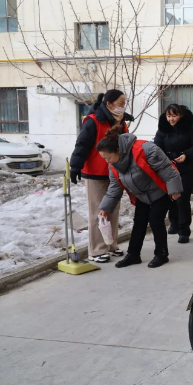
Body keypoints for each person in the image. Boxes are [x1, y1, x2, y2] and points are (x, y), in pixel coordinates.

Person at [97, 127, 182, 268]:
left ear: (118, 150)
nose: (107, 161)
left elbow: (167, 169)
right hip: (142, 195)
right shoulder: (113, 165)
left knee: (155, 220)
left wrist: (174, 189)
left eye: (108, 157)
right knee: (139, 222)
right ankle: (133, 255)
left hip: (160, 190)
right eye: (104, 159)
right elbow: (114, 187)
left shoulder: (145, 149)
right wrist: (105, 208)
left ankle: (161, 254)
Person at [69, 90, 133, 264]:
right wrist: (75, 166)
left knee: (113, 210)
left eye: (124, 103)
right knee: (98, 212)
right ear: (109, 104)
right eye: (120, 103)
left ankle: (111, 244)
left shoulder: (121, 122)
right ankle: (97, 249)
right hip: (96, 173)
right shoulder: (93, 121)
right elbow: (82, 144)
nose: (122, 107)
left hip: (115, 171)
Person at [154, 104, 193, 244]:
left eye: (174, 116)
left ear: (180, 116)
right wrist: (165, 159)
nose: (171, 119)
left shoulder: (189, 129)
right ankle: (174, 222)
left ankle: (184, 230)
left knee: (183, 198)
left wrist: (186, 155)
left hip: (186, 168)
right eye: (168, 116)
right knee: (171, 197)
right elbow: (157, 147)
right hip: (168, 168)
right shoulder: (163, 129)